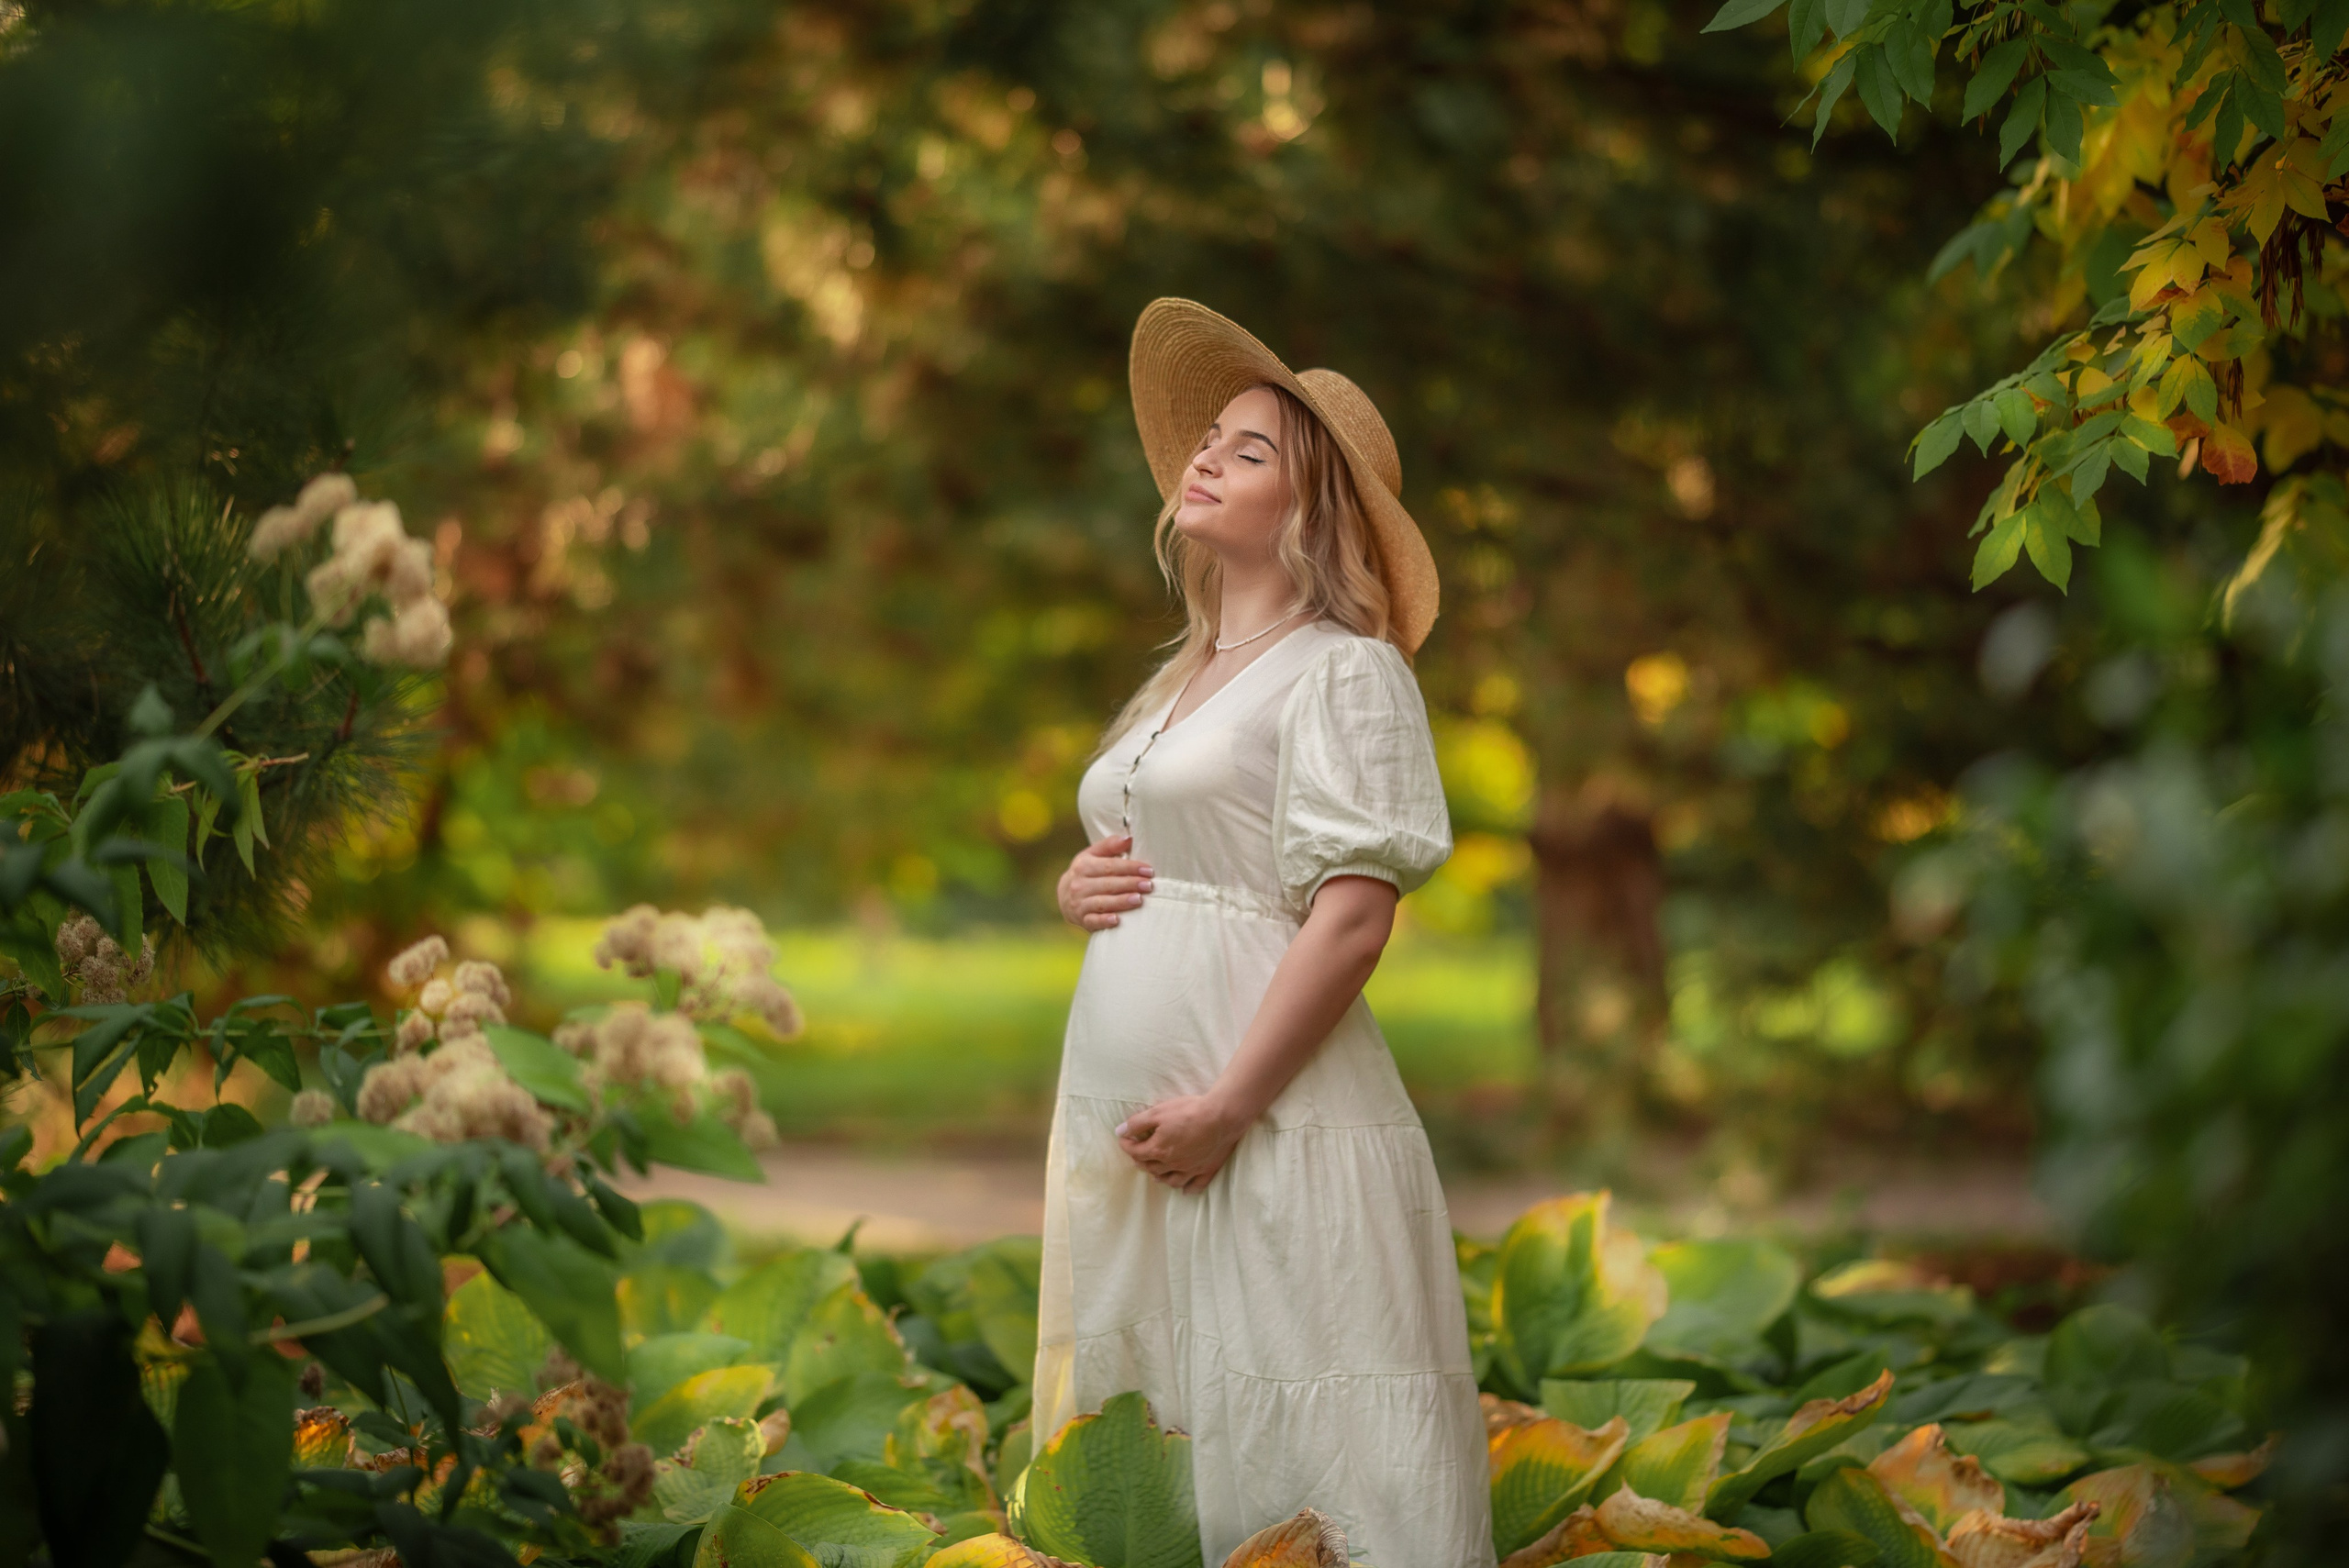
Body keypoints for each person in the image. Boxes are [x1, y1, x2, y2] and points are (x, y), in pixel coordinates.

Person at [1034, 299, 1495, 1567]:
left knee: (1301, 1431)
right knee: (1173, 1439)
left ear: (1311, 509)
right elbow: (1180, 852)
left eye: (1249, 452)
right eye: (1211, 439)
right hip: (1145, 1139)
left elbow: (1352, 917)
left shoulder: (1347, 668)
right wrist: (1088, 889)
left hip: (1268, 1125)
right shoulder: (1184, 673)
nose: (1204, 458)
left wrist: (1229, 1103)